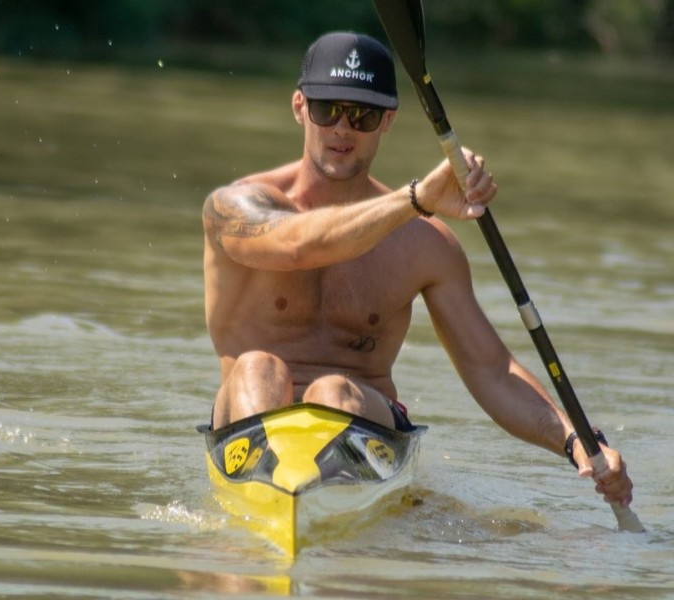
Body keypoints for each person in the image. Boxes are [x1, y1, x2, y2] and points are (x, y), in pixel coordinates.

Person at [201, 31, 634, 507]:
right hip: (252, 416)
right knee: (259, 367)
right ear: (300, 107)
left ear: (387, 121)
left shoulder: (426, 245)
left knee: (332, 392)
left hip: (362, 418)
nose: (343, 129)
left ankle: (321, 506)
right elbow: (300, 246)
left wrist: (578, 443)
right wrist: (415, 200)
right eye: (328, 110)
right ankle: (267, 501)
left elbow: (490, 370)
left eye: (362, 115)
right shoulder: (234, 207)